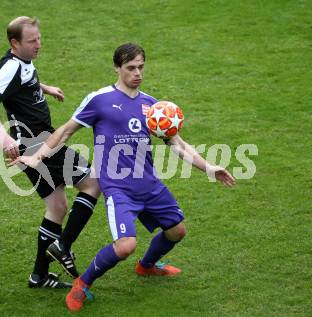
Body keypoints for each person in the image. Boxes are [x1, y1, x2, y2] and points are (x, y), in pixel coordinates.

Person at [15, 43, 236, 311]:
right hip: (118, 188)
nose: (137, 73)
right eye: (131, 68)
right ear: (117, 68)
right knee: (125, 246)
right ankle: (82, 284)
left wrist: (209, 167)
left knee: (177, 231)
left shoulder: (153, 107)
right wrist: (36, 157)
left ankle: (147, 267)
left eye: (141, 67)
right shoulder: (100, 100)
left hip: (149, 183)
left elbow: (177, 144)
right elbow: (65, 131)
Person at [0, 16, 100, 289]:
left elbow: (23, 79)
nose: (38, 45)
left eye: (39, 39)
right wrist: (1, 135)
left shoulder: (20, 62)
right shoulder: (11, 68)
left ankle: (39, 275)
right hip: (38, 144)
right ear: (14, 43)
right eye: (32, 41)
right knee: (93, 183)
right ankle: (63, 246)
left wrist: (45, 88)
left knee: (57, 207)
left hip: (32, 145)